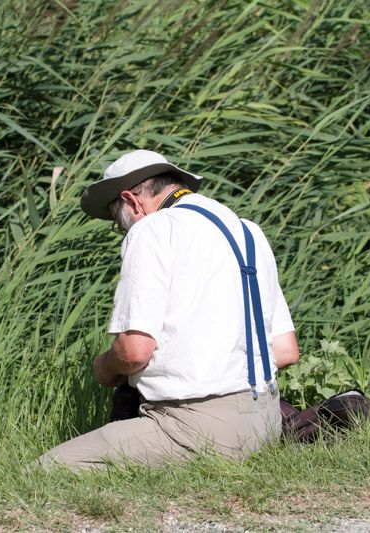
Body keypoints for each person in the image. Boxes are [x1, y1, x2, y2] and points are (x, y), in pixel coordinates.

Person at [37, 149, 299, 470]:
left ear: (132, 201)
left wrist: (105, 367)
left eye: (120, 226)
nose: (125, 232)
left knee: (43, 472)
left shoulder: (152, 229)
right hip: (266, 421)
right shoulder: (247, 231)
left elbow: (134, 352)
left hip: (196, 427)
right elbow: (285, 351)